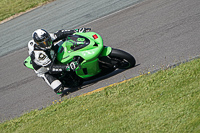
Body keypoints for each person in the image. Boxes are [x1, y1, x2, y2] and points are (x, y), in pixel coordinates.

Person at [28, 28, 86, 96]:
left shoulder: (48, 36)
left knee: (67, 40)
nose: (46, 43)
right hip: (46, 70)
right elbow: (51, 68)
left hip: (51, 52)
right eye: (43, 43)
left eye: (47, 40)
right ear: (38, 44)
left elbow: (60, 33)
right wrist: (68, 67)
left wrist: (76, 31)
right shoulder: (38, 55)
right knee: (59, 89)